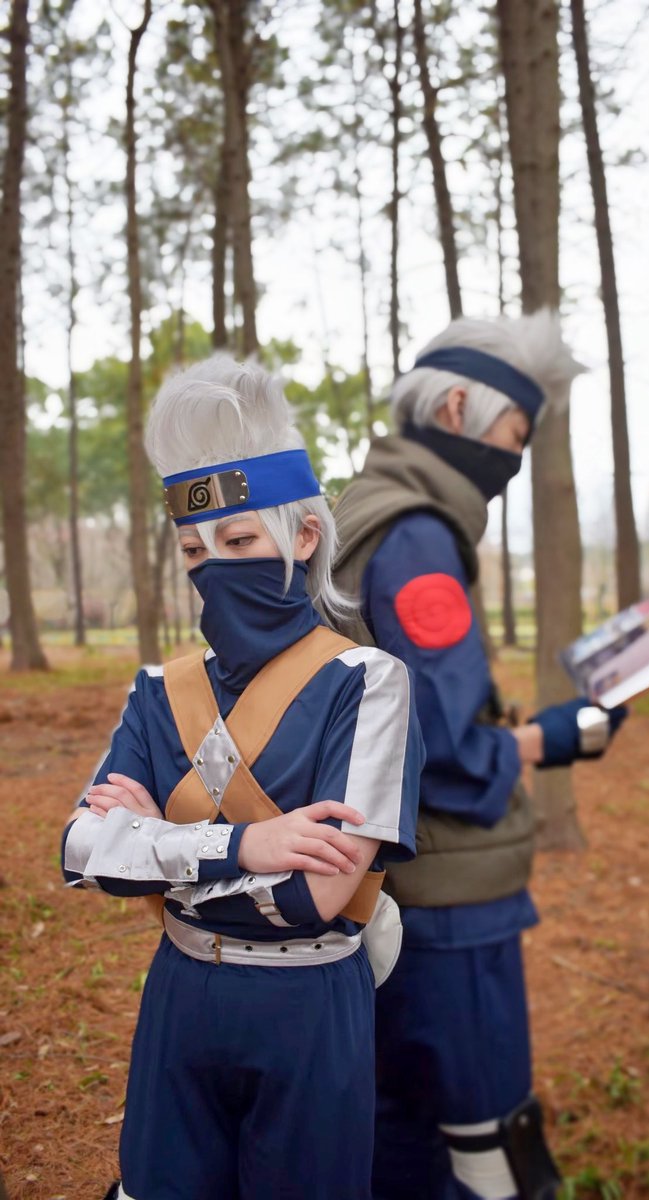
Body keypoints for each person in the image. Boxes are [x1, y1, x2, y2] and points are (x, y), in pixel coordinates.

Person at [61, 355, 423, 1200]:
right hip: (180, 995)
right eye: (194, 548)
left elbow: (317, 897)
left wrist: (156, 847)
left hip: (308, 1007)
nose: (213, 564)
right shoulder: (159, 689)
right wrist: (248, 845)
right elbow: (81, 849)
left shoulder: (369, 683)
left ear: (304, 537)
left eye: (240, 540)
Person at [334, 310, 628, 1200]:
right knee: (487, 1145)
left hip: (380, 890)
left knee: (395, 1135)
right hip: (451, 904)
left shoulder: (359, 511)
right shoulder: (418, 535)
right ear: (458, 407)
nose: (517, 457)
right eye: (516, 432)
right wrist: (557, 735)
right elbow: (452, 755)